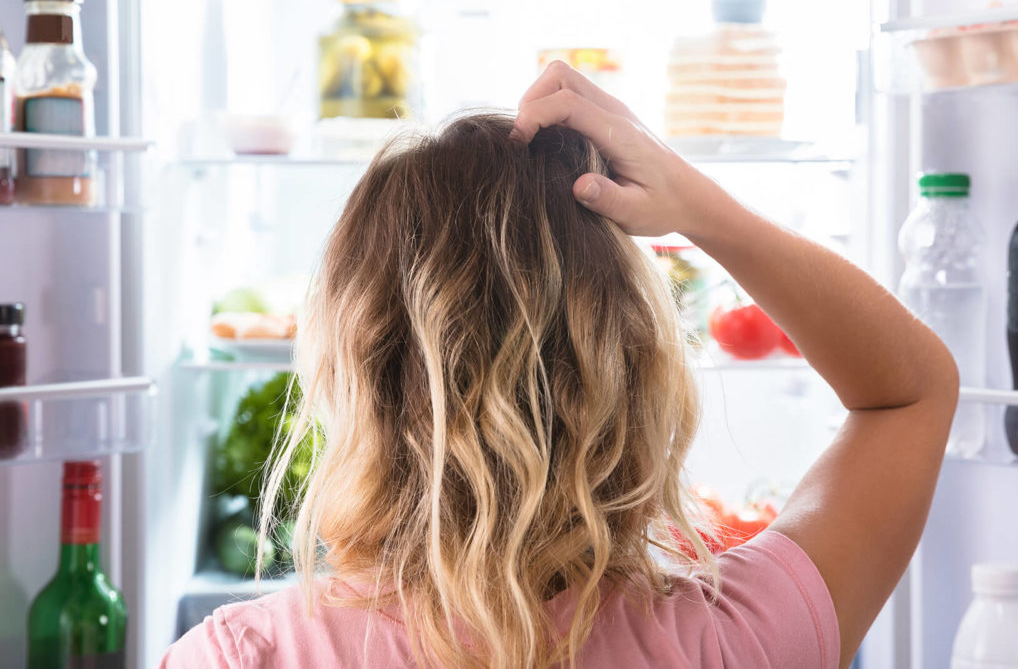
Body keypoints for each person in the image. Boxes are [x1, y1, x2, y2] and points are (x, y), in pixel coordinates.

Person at [161, 62, 958, 668]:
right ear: (634, 364)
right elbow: (912, 393)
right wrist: (691, 202)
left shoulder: (242, 654)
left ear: (354, 371)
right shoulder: (731, 635)